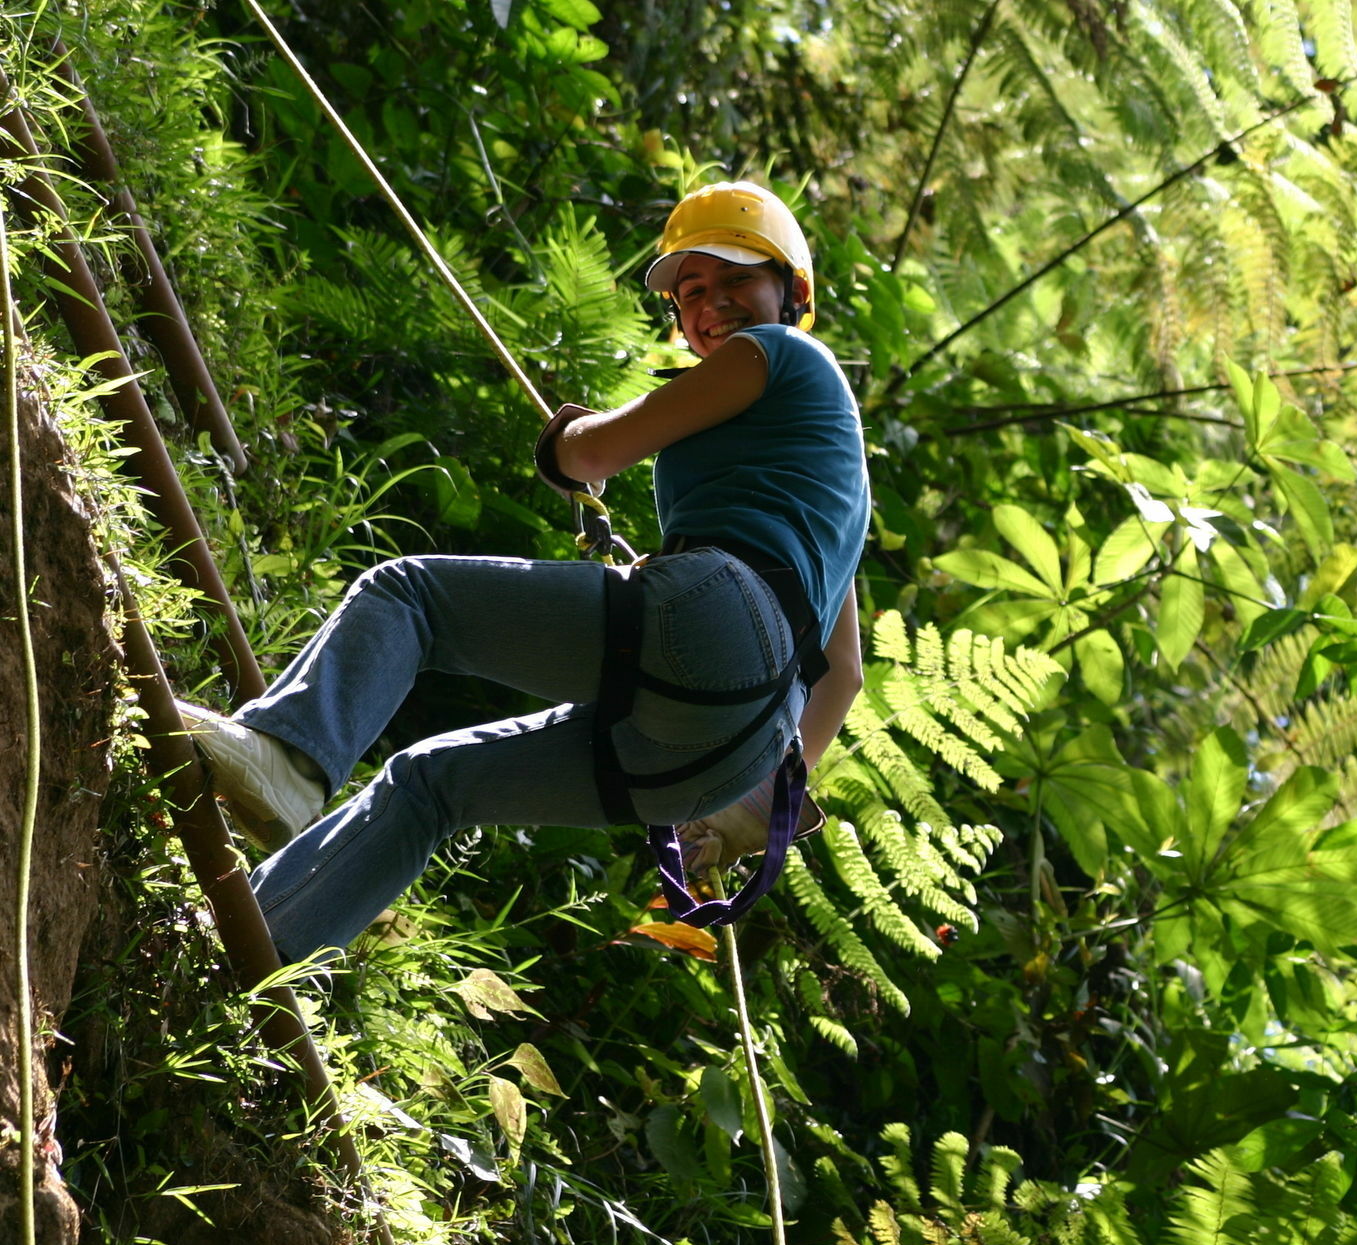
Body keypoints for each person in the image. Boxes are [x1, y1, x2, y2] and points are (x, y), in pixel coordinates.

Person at [178, 181, 868, 961]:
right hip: (729, 752)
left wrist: (566, 442)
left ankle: (291, 759)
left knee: (409, 598)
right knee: (432, 782)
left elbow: (600, 451)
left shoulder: (780, 352)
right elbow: (841, 673)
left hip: (718, 622)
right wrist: (751, 797)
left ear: (791, 291)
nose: (714, 303)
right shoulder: (838, 491)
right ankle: (246, 951)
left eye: (738, 278)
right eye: (693, 290)